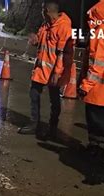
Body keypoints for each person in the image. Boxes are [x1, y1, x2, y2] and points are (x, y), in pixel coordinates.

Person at [18, 0, 72, 140]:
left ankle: (52, 128)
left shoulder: (63, 26)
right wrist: (35, 39)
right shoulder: (46, 25)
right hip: (41, 70)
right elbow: (41, 43)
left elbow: (62, 53)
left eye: (42, 10)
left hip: (54, 71)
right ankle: (34, 124)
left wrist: (57, 73)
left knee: (54, 100)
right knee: (34, 94)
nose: (41, 12)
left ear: (47, 11)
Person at [78, 0, 104, 162]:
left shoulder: (100, 32)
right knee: (96, 116)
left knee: (97, 118)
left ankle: (100, 150)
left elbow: (97, 64)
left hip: (98, 87)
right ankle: (96, 146)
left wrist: (86, 85)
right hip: (103, 86)